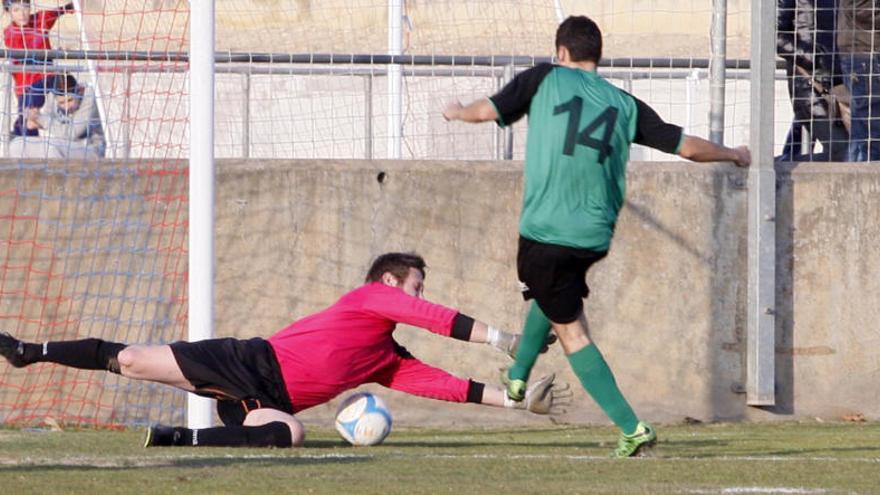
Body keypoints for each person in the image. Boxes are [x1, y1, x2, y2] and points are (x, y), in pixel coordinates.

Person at [443, 16, 750, 457]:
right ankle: (516, 378)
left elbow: (486, 110)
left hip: (544, 230)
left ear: (562, 53)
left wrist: (456, 111)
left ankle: (632, 427)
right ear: (596, 56)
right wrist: (735, 154)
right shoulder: (624, 103)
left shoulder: (545, 78)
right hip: (592, 236)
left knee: (572, 332)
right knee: (552, 297)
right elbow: (686, 147)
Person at [0, 252, 570, 448]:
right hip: (243, 362)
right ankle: (30, 350)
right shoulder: (369, 297)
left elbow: (447, 386)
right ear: (390, 285)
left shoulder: (386, 360)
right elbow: (435, 318)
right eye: (416, 284)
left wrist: (520, 403)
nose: (421, 295)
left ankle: (180, 439)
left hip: (267, 398)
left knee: (290, 433)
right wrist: (505, 339)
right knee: (127, 360)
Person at [776, 0, 849, 162]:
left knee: (861, 149)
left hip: (849, 83)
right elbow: (775, 35)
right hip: (810, 84)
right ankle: (777, 169)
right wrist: (815, 58)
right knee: (844, 152)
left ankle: (782, 165)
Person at [3, 0, 75, 137]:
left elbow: (59, 11)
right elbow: (27, 56)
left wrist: (72, 7)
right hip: (28, 84)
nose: (22, 14)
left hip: (49, 76)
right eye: (16, 10)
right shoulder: (9, 33)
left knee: (71, 86)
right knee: (27, 119)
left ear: (30, 7)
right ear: (9, 12)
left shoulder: (40, 19)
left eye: (25, 8)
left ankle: (68, 120)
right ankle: (21, 136)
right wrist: (54, 51)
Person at [9, 73, 106, 160]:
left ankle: (59, 179)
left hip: (91, 147)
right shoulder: (53, 96)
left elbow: (70, 134)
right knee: (17, 145)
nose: (67, 107)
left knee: (51, 150)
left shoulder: (89, 98)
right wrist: (36, 120)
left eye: (70, 100)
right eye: (62, 102)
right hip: (64, 144)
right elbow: (47, 122)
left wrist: (39, 118)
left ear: (79, 92)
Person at [838, 0, 880, 161]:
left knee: (865, 131)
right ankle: (863, 182)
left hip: (866, 51)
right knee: (870, 132)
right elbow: (860, 9)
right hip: (865, 54)